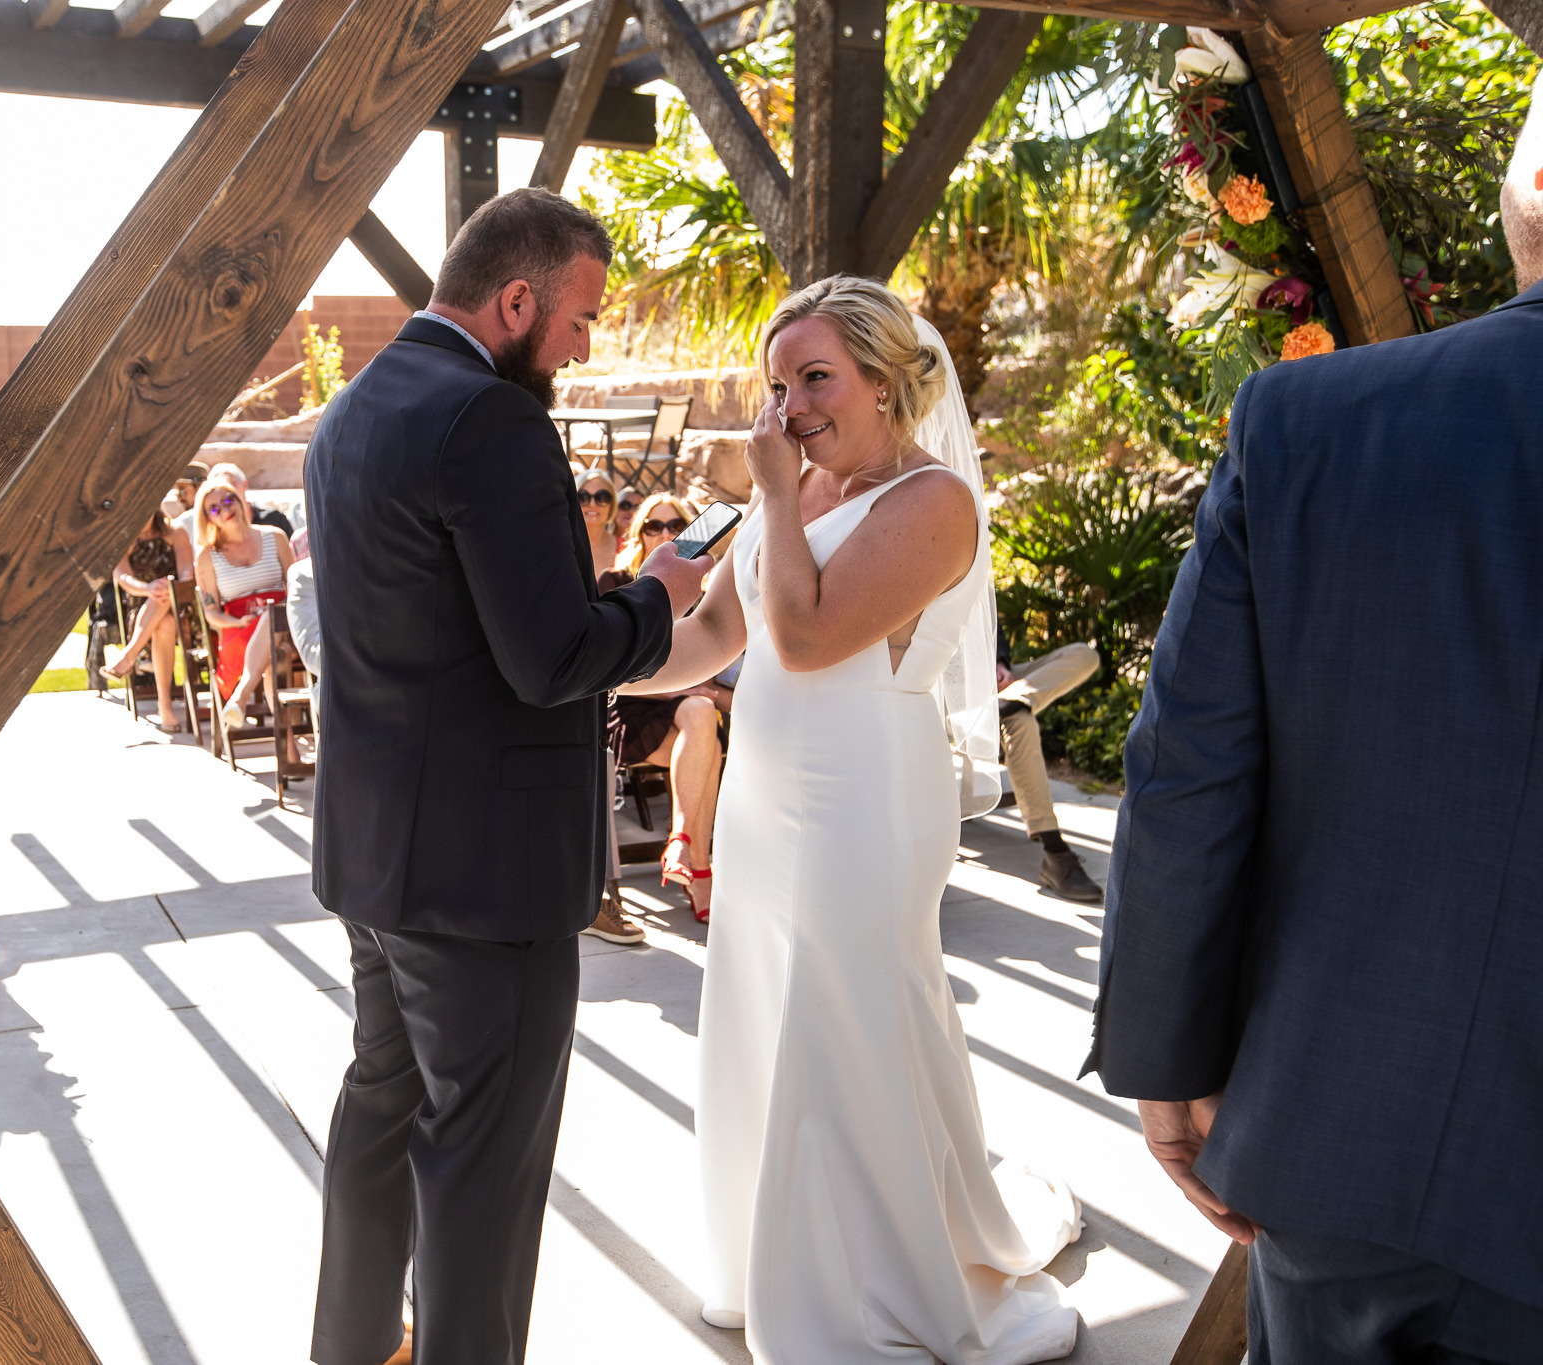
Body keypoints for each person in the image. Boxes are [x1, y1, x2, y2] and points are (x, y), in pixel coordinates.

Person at [1083, 109, 1543, 1362]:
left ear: (1530, 195)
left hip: (1341, 1136)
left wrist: (1166, 1054)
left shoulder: (1308, 424)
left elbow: (1187, 769)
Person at [625, 275, 1078, 1361]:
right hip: (770, 788)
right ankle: (766, 1255)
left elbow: (813, 636)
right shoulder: (802, 492)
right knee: (766, 1010)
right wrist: (599, 663)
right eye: (778, 385)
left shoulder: (930, 504)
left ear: (884, 381)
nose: (789, 408)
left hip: (865, 796)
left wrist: (774, 499)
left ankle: (883, 1280)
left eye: (814, 378)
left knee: (851, 1019)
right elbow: (715, 640)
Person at [304, 187, 704, 1365]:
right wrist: (657, 596)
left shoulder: (353, 409)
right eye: (578, 317)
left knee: (380, 1116)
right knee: (480, 1168)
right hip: (485, 881)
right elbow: (552, 658)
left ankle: (352, 1349)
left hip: (377, 857)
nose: (585, 346)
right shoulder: (489, 420)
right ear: (515, 298)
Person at [601, 491, 729, 925]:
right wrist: (697, 687)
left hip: (687, 712)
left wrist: (701, 689)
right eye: (654, 526)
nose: (666, 534)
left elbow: (710, 674)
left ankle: (683, 845)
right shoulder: (616, 582)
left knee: (698, 716)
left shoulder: (701, 592)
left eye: (676, 526)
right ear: (640, 534)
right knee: (702, 730)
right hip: (631, 710)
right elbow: (614, 668)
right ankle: (697, 863)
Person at [995, 635, 1104, 903]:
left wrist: (999, 663)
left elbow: (992, 623)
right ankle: (1055, 851)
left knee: (1084, 654)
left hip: (995, 681)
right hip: (945, 687)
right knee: (1020, 723)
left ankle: (1011, 701)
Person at [192, 472, 292, 737]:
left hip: (286, 622)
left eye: (228, 500)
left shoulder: (275, 537)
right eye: (214, 508)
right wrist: (237, 622)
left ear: (239, 499)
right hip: (240, 629)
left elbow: (296, 589)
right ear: (207, 518)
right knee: (274, 653)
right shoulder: (206, 557)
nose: (225, 510)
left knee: (273, 618)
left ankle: (241, 695)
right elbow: (211, 613)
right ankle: (290, 752)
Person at [100, 511, 188, 732]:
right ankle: (164, 704)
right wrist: (148, 589)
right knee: (163, 622)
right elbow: (123, 577)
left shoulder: (176, 532)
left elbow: (187, 571)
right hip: (141, 607)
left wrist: (171, 588)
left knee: (165, 602)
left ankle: (129, 656)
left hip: (180, 605)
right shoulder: (124, 538)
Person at [574, 465, 619, 582]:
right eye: (583, 497)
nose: (592, 504)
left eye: (602, 497)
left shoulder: (627, 549)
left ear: (612, 504)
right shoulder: (562, 547)